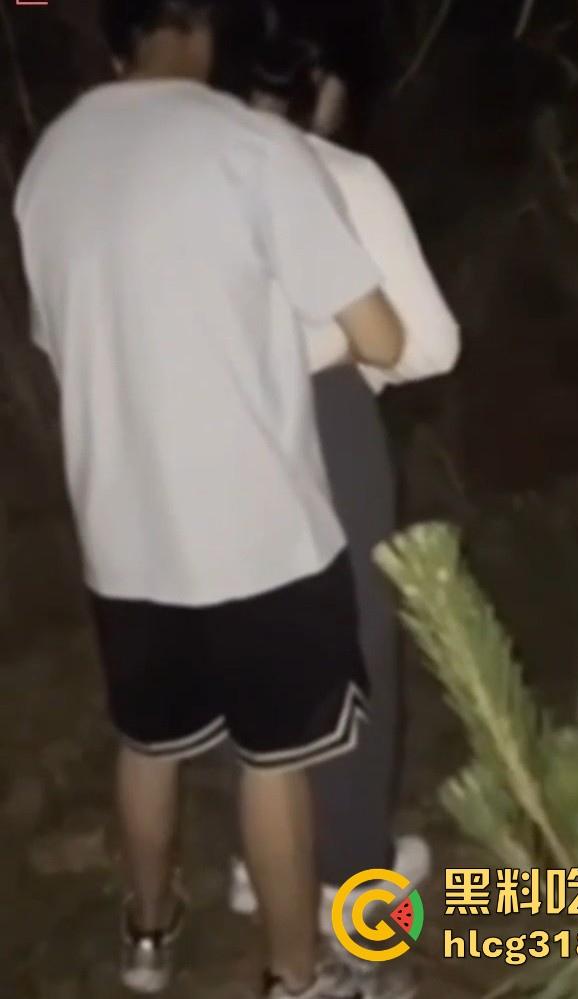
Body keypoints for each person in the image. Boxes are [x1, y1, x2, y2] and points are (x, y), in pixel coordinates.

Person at [13, 2, 407, 998]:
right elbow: (383, 337)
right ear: (208, 34)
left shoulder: (52, 161)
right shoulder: (252, 149)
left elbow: (62, 340)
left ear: (121, 39)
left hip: (121, 533)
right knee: (275, 765)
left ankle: (147, 937)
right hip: (257, 535)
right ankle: (295, 975)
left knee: (148, 743)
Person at [220, 4, 460, 985]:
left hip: (207, 433)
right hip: (322, 423)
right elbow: (431, 344)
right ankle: (355, 891)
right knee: (352, 657)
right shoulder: (340, 177)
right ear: (326, 89)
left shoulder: (179, 177)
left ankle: (260, 861)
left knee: (249, 644)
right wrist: (351, 357)